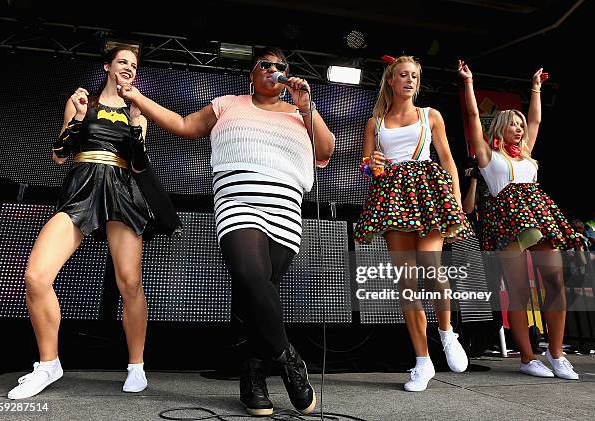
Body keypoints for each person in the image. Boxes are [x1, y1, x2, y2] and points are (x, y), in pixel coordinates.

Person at [116, 47, 335, 416]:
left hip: (285, 210)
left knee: (257, 298)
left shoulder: (301, 113)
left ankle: (252, 379)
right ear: (252, 73)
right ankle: (291, 361)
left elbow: (326, 149)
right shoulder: (227, 104)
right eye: (265, 65)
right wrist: (138, 97)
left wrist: (307, 107)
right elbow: (184, 126)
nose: (273, 70)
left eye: (281, 66)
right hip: (238, 203)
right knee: (251, 277)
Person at [8, 46, 180, 400]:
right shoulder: (81, 101)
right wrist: (77, 118)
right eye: (122, 62)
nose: (128, 68)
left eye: (133, 65)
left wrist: (135, 122)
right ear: (107, 66)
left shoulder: (139, 112)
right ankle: (48, 364)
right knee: (36, 276)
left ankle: (136, 366)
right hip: (82, 185)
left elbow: (138, 167)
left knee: (130, 282)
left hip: (121, 189)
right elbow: (58, 156)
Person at [354, 55, 471, 392]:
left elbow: (447, 159)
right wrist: (370, 164)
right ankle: (422, 361)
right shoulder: (375, 122)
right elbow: (367, 168)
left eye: (415, 76)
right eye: (403, 75)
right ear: (391, 80)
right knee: (406, 282)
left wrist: (456, 203)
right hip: (393, 196)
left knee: (431, 269)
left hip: (427, 192)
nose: (409, 80)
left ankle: (447, 333)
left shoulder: (429, 115)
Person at [458, 59, 581, 379]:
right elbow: (472, 116)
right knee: (518, 292)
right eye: (514, 123)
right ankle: (527, 357)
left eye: (521, 124)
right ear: (500, 127)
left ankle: (556, 353)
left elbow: (538, 118)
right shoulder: (488, 155)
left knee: (555, 281)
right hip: (506, 220)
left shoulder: (527, 152)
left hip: (538, 213)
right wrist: (469, 84)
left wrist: (536, 87)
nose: (521, 128)